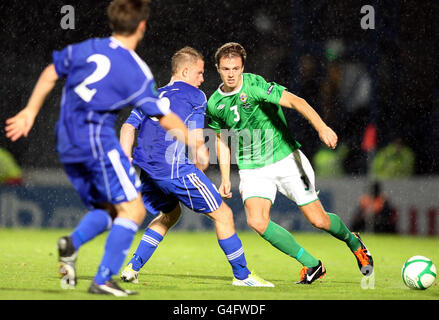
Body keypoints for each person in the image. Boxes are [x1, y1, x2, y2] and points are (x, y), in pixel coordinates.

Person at [5, 0, 207, 296]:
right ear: (141, 26)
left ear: (113, 23)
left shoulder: (86, 48)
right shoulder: (135, 69)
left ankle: (72, 243)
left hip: (66, 141)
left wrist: (30, 111)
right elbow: (163, 116)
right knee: (135, 209)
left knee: (114, 209)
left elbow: (51, 72)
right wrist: (195, 143)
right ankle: (103, 279)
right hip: (96, 141)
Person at [206, 42, 374, 284]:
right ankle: (312, 264)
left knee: (318, 220)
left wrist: (322, 128)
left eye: (235, 68)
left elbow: (298, 102)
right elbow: (221, 139)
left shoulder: (255, 85)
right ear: (218, 69)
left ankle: (353, 241)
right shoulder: (214, 103)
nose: (231, 74)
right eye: (225, 69)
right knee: (256, 221)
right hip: (252, 168)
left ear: (243, 67)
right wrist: (224, 178)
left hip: (285, 158)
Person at [118, 46, 273, 287]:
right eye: (200, 73)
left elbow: (128, 127)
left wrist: (125, 155)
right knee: (224, 214)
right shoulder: (196, 96)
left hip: (148, 171)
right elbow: (195, 133)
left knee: (170, 214)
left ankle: (132, 268)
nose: (202, 79)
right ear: (186, 71)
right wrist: (201, 154)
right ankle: (242, 276)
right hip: (176, 170)